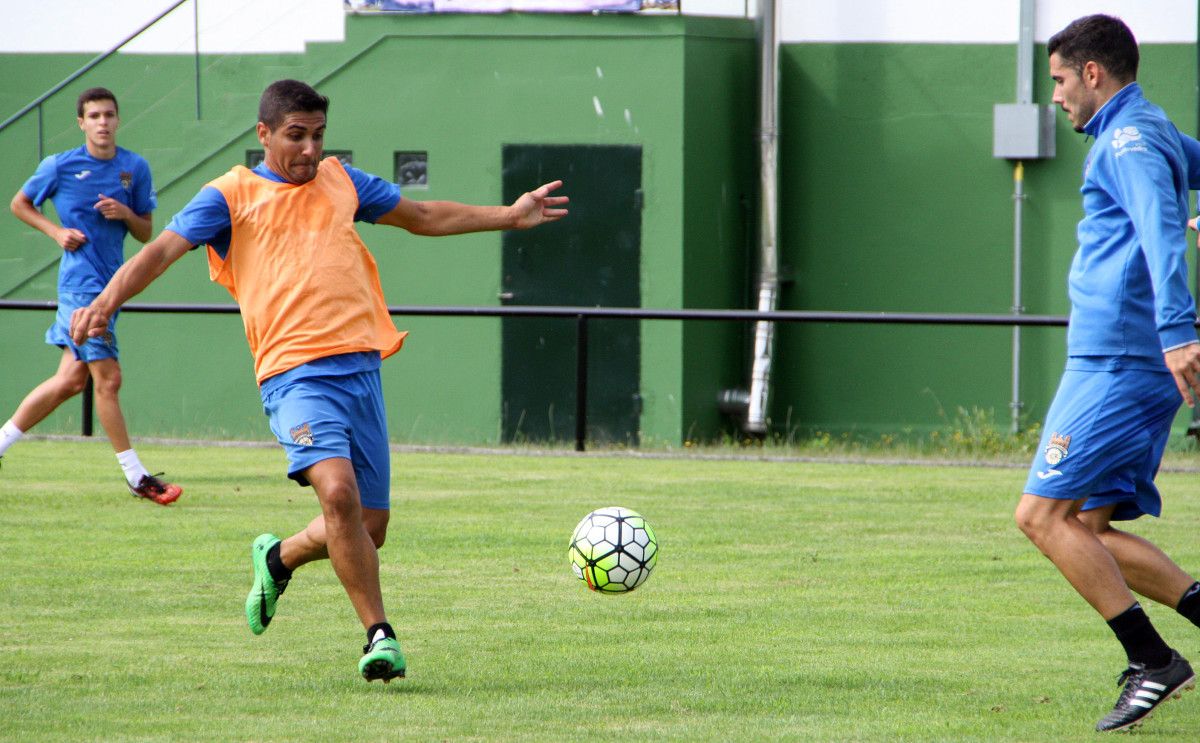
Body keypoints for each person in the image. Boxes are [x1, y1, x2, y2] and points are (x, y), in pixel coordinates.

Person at [70, 79, 568, 682]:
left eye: (318, 135)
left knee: (368, 528)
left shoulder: (342, 180)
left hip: (361, 369)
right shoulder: (230, 194)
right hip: (293, 373)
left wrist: (511, 217)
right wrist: (106, 299)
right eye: (295, 136)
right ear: (264, 135)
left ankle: (278, 558)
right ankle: (379, 637)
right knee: (337, 495)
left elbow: (424, 216)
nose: (309, 149)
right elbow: (159, 252)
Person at [1013, 15, 1200, 732]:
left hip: (1120, 360)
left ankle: (1153, 660)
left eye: (1060, 79)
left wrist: (1178, 331)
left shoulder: (1127, 138)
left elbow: (1160, 225)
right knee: (1090, 526)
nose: (1055, 95)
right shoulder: (1143, 128)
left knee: (1041, 516)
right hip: (1118, 357)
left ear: (1093, 72)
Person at [1, 87, 182, 505]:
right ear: (82, 123)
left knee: (69, 381)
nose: (103, 122)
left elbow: (146, 232)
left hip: (112, 287)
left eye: (109, 115)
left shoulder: (134, 168)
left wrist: (126, 214)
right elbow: (20, 203)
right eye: (94, 116)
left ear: (118, 120)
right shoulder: (60, 166)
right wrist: (56, 231)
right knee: (109, 379)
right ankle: (137, 476)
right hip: (79, 289)